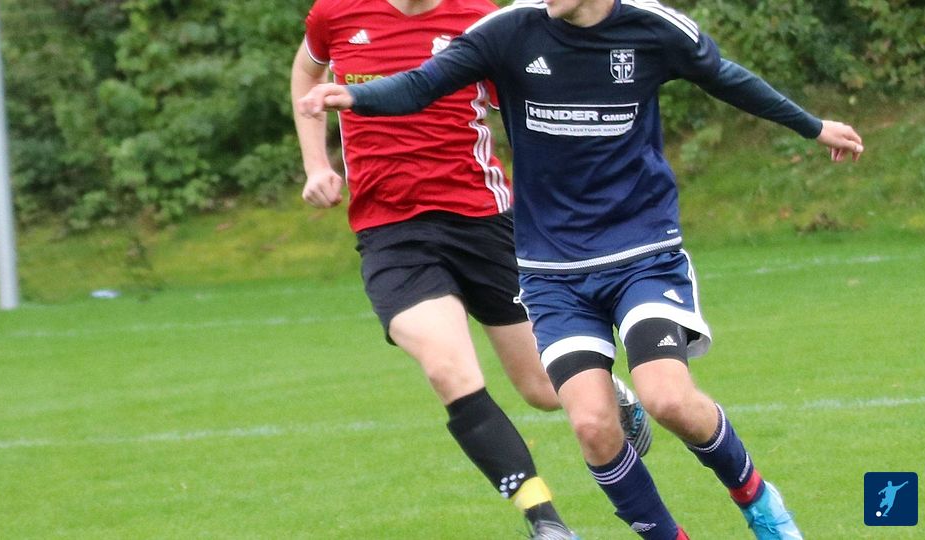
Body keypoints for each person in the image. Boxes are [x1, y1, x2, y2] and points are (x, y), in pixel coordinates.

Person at [297, 0, 866, 538]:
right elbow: (422, 83)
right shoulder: (508, 31)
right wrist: (353, 97)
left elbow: (728, 79)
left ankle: (759, 502)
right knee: (592, 426)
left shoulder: (653, 28)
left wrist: (813, 127)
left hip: (641, 252)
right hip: (551, 272)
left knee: (668, 399)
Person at [290, 1, 652, 538]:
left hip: (484, 222)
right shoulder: (336, 13)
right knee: (447, 370)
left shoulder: (483, 19)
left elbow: (540, 99)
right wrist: (316, 164)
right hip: (392, 233)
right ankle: (545, 521)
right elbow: (307, 71)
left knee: (542, 389)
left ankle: (612, 393)